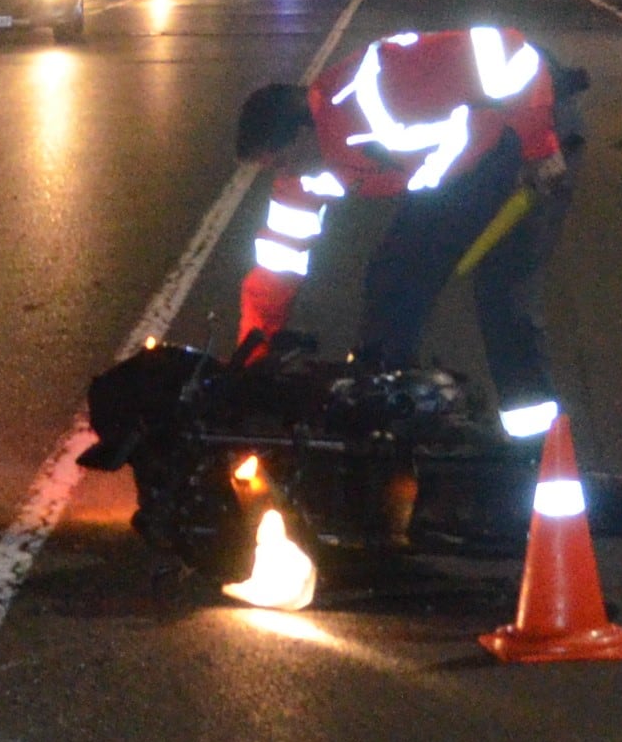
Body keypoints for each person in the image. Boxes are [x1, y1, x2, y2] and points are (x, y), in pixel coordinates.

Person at [233, 26, 586, 438]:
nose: (282, 175)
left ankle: (537, 442)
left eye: (279, 163)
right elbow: (278, 264)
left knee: (501, 288)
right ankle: (383, 412)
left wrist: (539, 147)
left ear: (301, 133)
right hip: (464, 160)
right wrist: (254, 355)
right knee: (393, 275)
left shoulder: (377, 91)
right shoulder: (305, 175)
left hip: (530, 123)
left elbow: (509, 53)